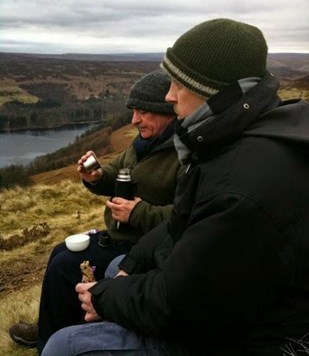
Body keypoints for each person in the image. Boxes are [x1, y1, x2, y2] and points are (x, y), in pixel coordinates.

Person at [41, 18, 309, 356]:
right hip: (231, 301)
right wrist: (132, 262)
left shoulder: (236, 180)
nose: (169, 96)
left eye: (177, 85)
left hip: (253, 337)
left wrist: (106, 297)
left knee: (64, 347)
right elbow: (185, 222)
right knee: (103, 266)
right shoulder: (233, 139)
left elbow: (183, 303)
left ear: (209, 90)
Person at [9, 70, 181, 353]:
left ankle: (53, 343)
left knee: (64, 266)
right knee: (59, 251)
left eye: (143, 112)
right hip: (119, 236)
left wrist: (138, 214)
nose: (134, 120)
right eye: (133, 111)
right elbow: (117, 172)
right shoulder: (143, 145)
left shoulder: (180, 154)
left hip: (140, 247)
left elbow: (185, 217)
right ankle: (53, 325)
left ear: (167, 111)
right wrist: (98, 177)